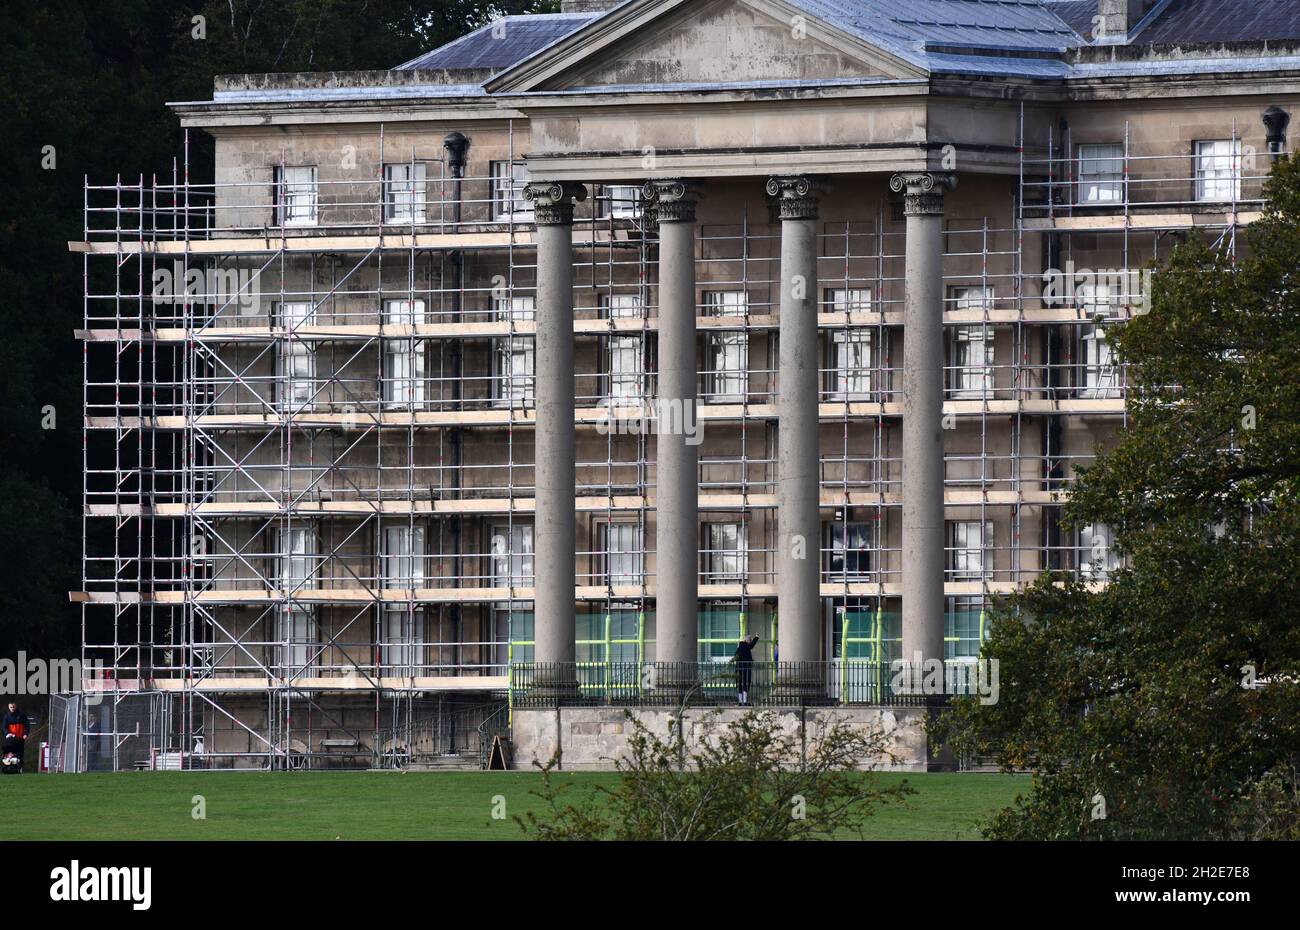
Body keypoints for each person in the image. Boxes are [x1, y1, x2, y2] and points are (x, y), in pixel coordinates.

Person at [732, 633, 760, 705]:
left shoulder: (740, 647)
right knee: (745, 684)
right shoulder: (744, 645)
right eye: (750, 640)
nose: (750, 641)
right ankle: (743, 701)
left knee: (740, 685)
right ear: (747, 640)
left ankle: (741, 701)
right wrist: (756, 637)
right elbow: (751, 646)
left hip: (739, 669)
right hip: (744, 669)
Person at [3, 703, 31, 774]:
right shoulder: (7, 716)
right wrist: (7, 733)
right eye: (10, 707)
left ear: (16, 706)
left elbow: (27, 726)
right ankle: (8, 767)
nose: (12, 708)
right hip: (10, 739)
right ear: (8, 707)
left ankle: (20, 768)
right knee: (9, 752)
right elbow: (4, 727)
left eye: (13, 707)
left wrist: (25, 734)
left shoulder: (22, 715)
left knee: (20, 754)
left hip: (20, 738)